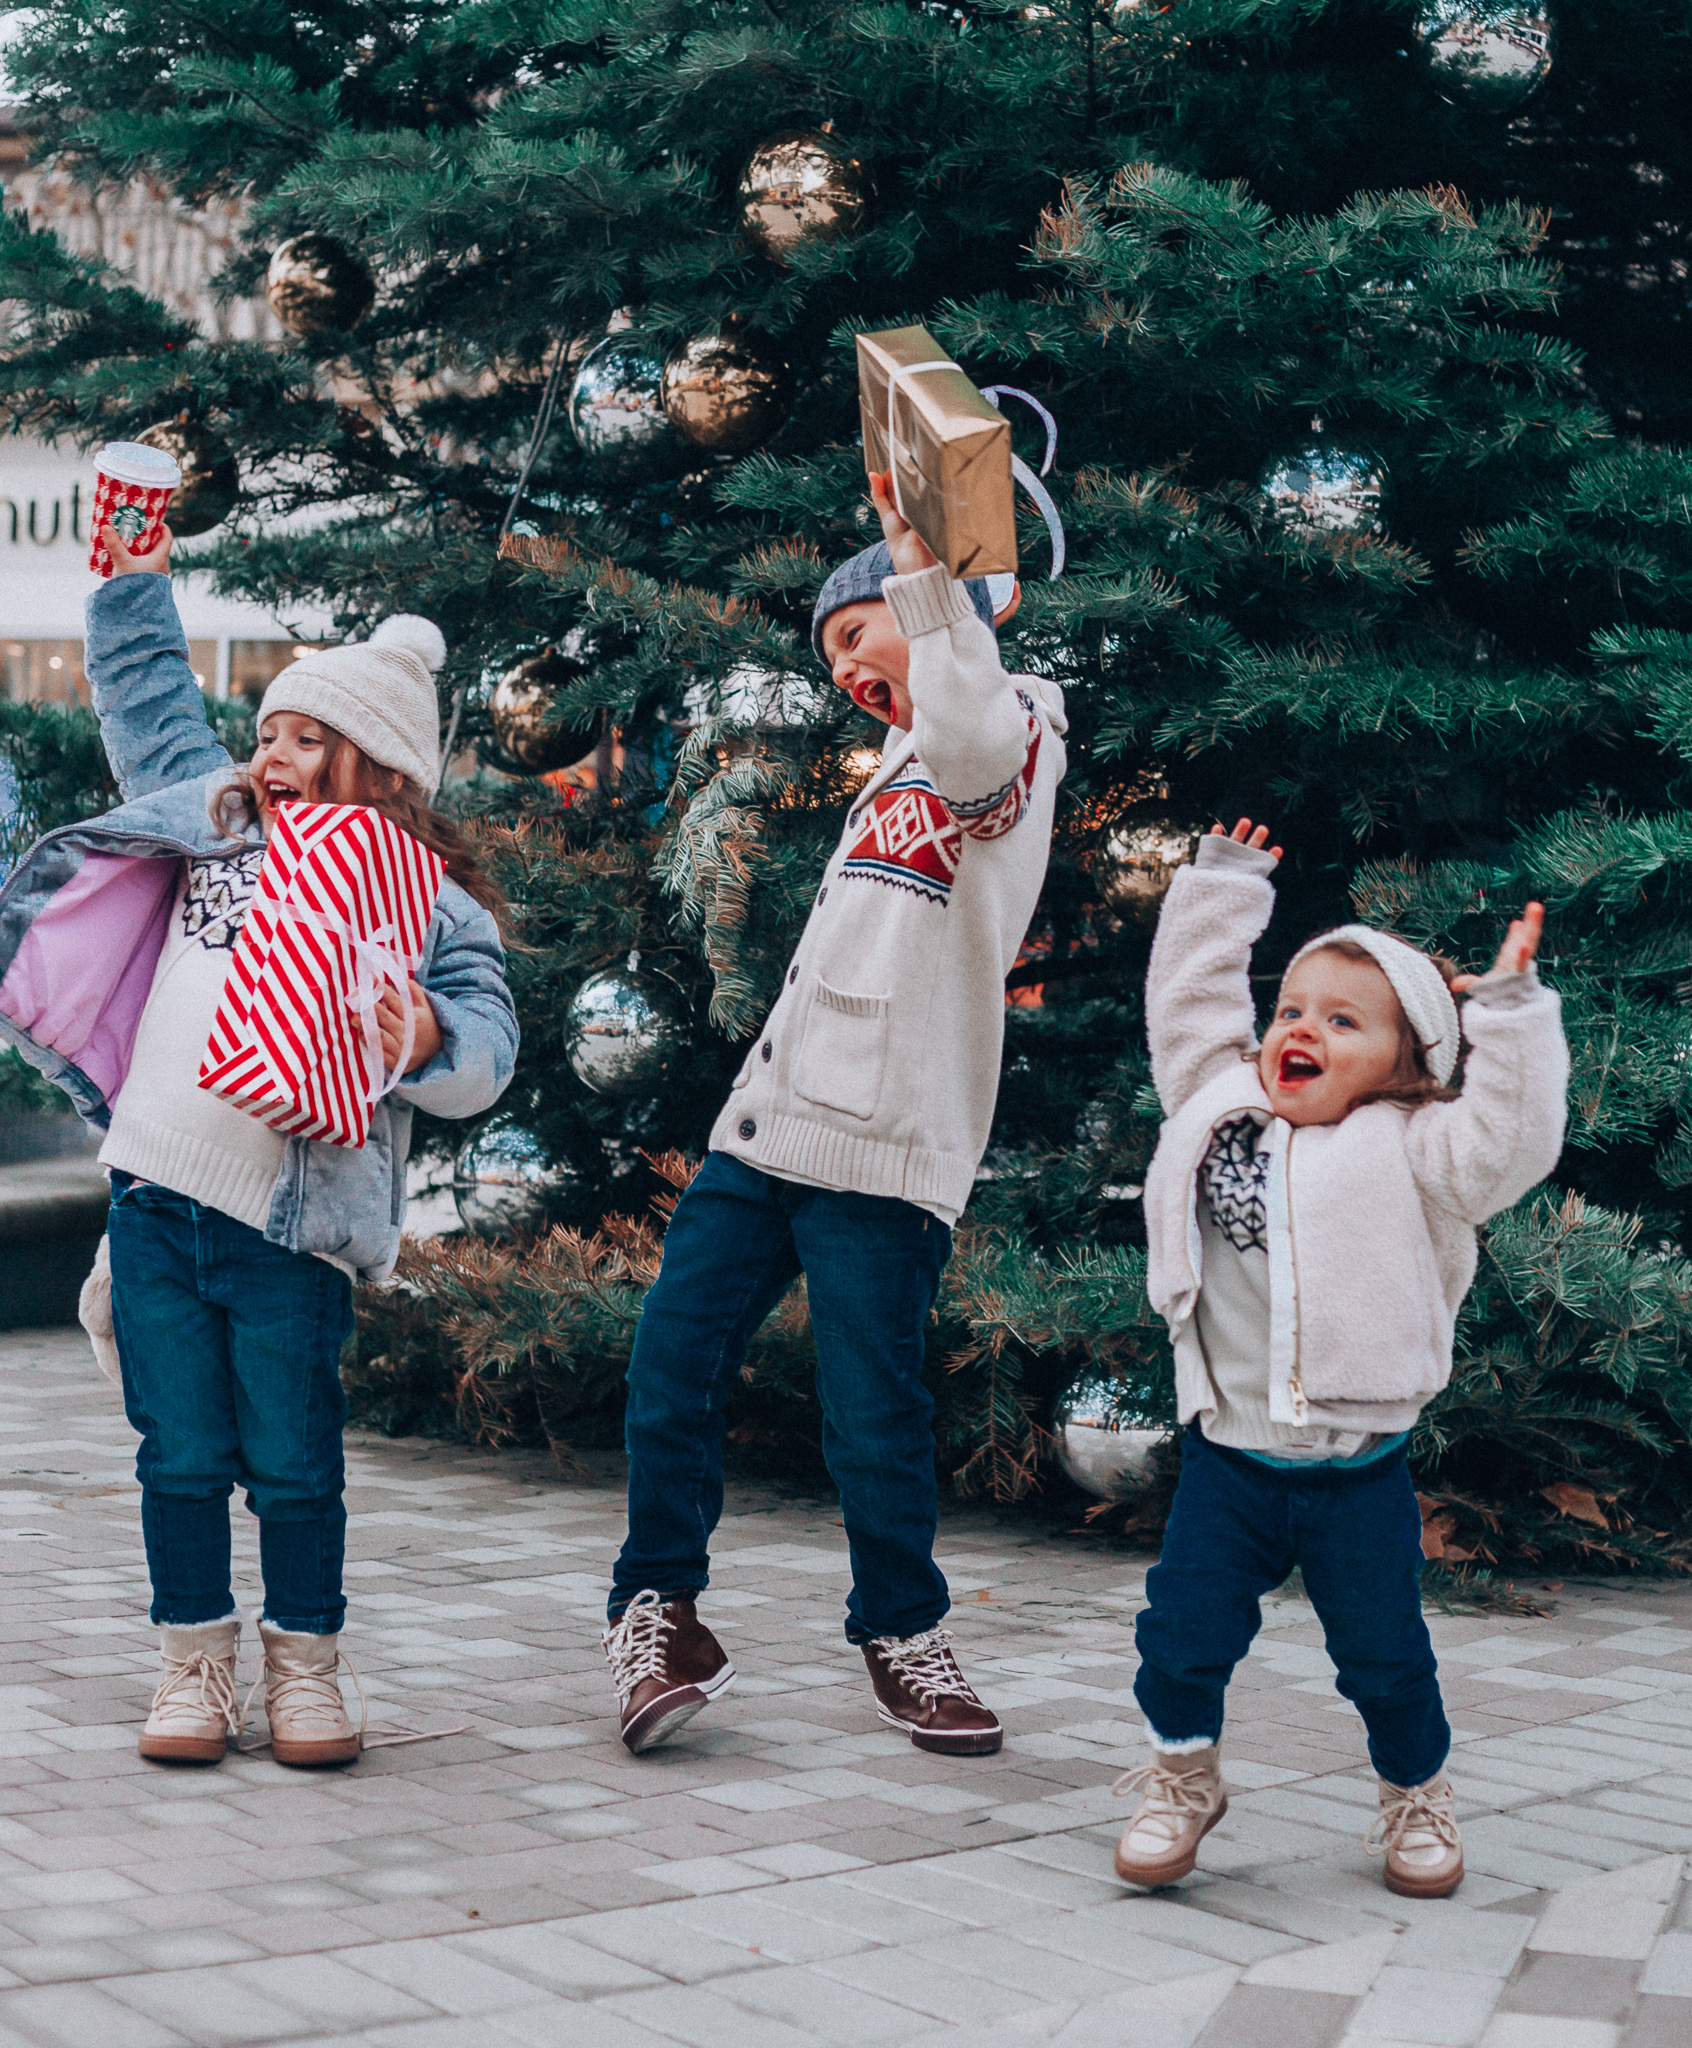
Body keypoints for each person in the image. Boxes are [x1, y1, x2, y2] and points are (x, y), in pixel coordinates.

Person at [0, 521, 518, 1768]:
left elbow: (489, 1051)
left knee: (292, 1464)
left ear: (380, 765)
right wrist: (129, 558)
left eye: (304, 736)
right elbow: (142, 692)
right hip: (155, 1204)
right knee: (176, 1456)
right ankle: (191, 1663)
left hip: (288, 1233)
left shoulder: (431, 902)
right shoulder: (218, 825)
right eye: (269, 730)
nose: (273, 753)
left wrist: (427, 1027)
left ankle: (305, 1668)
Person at [601, 473, 1066, 1757]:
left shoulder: (1014, 728)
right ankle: (658, 1613)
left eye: (856, 632)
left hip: (889, 1143)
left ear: (926, 612)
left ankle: (902, 1634)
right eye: (830, 657)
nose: (844, 666)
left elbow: (973, 731)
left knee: (872, 1410)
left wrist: (927, 580)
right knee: (671, 1359)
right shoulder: (888, 776)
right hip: (771, 1127)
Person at [1114, 816, 1568, 1898]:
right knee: (1180, 1633)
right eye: (1291, 1011)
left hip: (1357, 1470)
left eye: (1342, 1020)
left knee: (1385, 1656)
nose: (1299, 1029)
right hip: (1228, 1457)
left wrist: (1505, 1013)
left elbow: (1511, 1140)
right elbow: (1187, 1004)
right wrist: (1221, 885)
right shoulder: (1218, 1105)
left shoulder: (1420, 1150)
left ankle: (1415, 1791)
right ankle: (1182, 1774)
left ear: (1408, 1061)